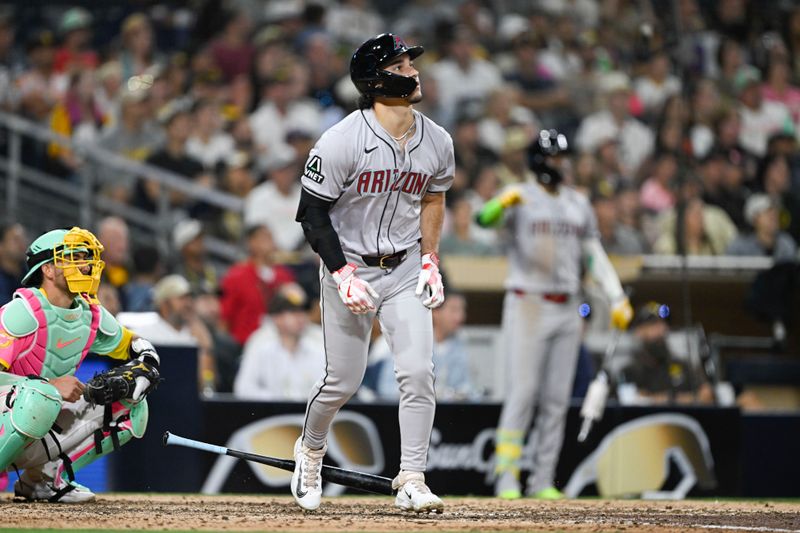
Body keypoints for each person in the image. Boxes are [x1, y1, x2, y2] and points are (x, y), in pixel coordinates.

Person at [292, 33, 454, 513]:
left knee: (419, 374)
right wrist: (341, 273)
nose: (412, 71)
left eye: (410, 64)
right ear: (378, 79)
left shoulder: (437, 140)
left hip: (403, 267)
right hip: (351, 266)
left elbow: (434, 196)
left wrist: (430, 259)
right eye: (402, 66)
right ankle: (311, 449)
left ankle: (412, 477)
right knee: (343, 380)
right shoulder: (342, 139)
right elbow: (311, 213)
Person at [476, 129, 633, 500]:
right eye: (555, 158)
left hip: (567, 304)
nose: (562, 165)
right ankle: (507, 478)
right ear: (539, 160)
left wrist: (615, 295)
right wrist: (500, 205)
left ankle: (543, 479)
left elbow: (592, 253)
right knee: (523, 393)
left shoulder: (578, 203)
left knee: (557, 399)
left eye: (564, 158)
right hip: (528, 301)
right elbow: (484, 221)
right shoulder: (519, 196)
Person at [0, 227, 160, 502]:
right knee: (43, 396)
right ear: (48, 269)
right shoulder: (22, 312)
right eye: (74, 257)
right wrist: (48, 385)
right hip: (12, 412)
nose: (86, 265)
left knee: (133, 406)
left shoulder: (89, 312)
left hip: (38, 419)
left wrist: (147, 363)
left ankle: (43, 481)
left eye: (87, 257)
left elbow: (132, 344)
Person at [233, 284, 324, 400]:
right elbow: (243, 388)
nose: (300, 316)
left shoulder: (318, 339)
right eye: (293, 312)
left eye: (302, 310)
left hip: (309, 412)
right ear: (277, 317)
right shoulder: (260, 341)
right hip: (272, 413)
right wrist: (278, 400)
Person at [220, 224, 296, 346]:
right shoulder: (236, 276)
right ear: (251, 243)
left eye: (271, 237)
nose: (270, 241)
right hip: (244, 344)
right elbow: (225, 317)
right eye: (264, 237)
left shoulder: (285, 276)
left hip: (280, 345)